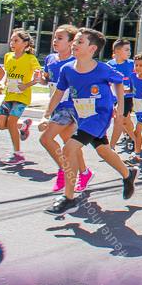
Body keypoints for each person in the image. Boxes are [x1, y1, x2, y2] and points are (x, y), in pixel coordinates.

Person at [44, 28, 138, 215]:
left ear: (92, 48)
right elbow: (59, 92)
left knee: (69, 148)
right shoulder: (67, 69)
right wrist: (46, 115)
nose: (74, 45)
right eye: (75, 41)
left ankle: (69, 198)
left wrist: (120, 108)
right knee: (103, 150)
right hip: (82, 116)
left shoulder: (102, 69)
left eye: (80, 42)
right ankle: (128, 174)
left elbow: (119, 82)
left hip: (99, 116)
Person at [38, 25, 92, 193]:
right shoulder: (50, 59)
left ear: (71, 43)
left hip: (70, 108)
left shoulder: (75, 63)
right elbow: (49, 80)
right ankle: (84, 173)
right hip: (56, 106)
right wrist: (41, 79)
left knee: (46, 139)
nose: (55, 41)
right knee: (70, 145)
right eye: (55, 37)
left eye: (60, 38)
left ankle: (65, 170)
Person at [0, 30, 42, 165]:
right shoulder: (7, 56)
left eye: (16, 40)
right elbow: (8, 73)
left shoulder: (30, 59)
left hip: (21, 97)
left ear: (25, 44)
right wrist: (2, 84)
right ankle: (22, 126)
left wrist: (27, 85)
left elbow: (38, 77)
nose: (12, 43)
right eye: (11, 40)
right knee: (0, 125)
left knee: (10, 122)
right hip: (9, 95)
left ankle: (18, 154)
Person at [108, 39, 136, 153]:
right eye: (127, 50)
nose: (129, 52)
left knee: (120, 120)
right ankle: (133, 137)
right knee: (125, 121)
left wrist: (132, 90)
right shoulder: (110, 65)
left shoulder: (131, 64)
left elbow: (136, 78)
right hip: (114, 98)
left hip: (127, 97)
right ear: (117, 51)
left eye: (130, 49)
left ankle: (111, 146)